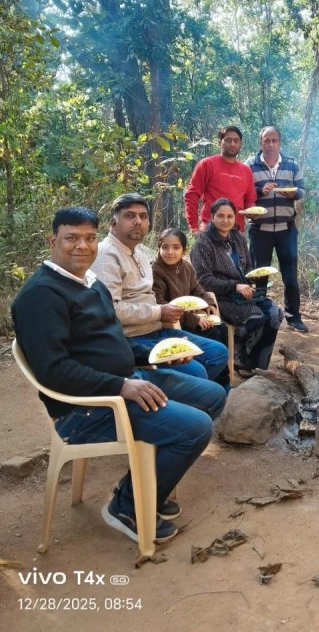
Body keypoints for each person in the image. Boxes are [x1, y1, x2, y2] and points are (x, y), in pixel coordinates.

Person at [11, 207, 226, 545]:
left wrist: (157, 355)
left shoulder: (89, 283)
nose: (82, 246)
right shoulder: (40, 296)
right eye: (71, 238)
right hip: (85, 408)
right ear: (53, 240)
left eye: (89, 238)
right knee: (195, 428)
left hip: (125, 379)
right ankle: (126, 505)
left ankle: (144, 484)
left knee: (212, 394)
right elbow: (54, 371)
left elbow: (114, 342)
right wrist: (122, 386)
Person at [92, 194, 229, 385]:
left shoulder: (140, 253)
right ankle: (182, 400)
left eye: (143, 216)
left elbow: (185, 289)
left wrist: (204, 303)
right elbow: (111, 311)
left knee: (218, 352)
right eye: (130, 216)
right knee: (197, 372)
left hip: (158, 330)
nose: (138, 221)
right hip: (133, 339)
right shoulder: (105, 255)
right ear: (113, 223)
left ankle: (193, 396)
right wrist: (161, 312)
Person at [190, 198, 283, 375]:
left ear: (235, 218)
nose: (225, 220)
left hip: (243, 293)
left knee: (275, 313)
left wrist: (252, 279)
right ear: (212, 217)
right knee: (255, 317)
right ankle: (239, 358)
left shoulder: (237, 238)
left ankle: (254, 361)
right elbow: (203, 280)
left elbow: (247, 266)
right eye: (220, 216)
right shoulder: (203, 243)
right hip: (220, 297)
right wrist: (235, 286)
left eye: (230, 216)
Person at [246, 126, 308, 333]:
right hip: (259, 229)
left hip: (286, 229)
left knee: (290, 275)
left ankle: (294, 317)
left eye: (274, 140)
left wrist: (294, 194)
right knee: (259, 274)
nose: (271, 144)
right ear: (260, 142)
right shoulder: (250, 165)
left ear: (280, 142)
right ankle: (259, 315)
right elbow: (244, 193)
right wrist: (258, 190)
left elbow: (302, 189)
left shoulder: (291, 164)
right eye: (266, 141)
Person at [152, 228, 229, 354]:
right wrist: (195, 319)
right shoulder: (156, 271)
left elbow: (196, 288)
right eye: (165, 247)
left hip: (188, 317)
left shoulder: (186, 267)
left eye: (176, 247)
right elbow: (160, 303)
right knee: (213, 333)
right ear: (159, 248)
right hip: (173, 323)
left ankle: (224, 372)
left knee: (221, 328)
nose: (170, 252)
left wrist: (208, 302)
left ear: (184, 250)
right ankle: (216, 371)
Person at [184, 125, 257, 234]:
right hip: (211, 229)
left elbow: (250, 200)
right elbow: (192, 195)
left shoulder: (246, 170)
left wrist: (252, 211)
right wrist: (194, 228)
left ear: (240, 144)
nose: (232, 144)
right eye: (228, 140)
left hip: (236, 230)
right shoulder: (206, 164)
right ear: (219, 143)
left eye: (236, 141)